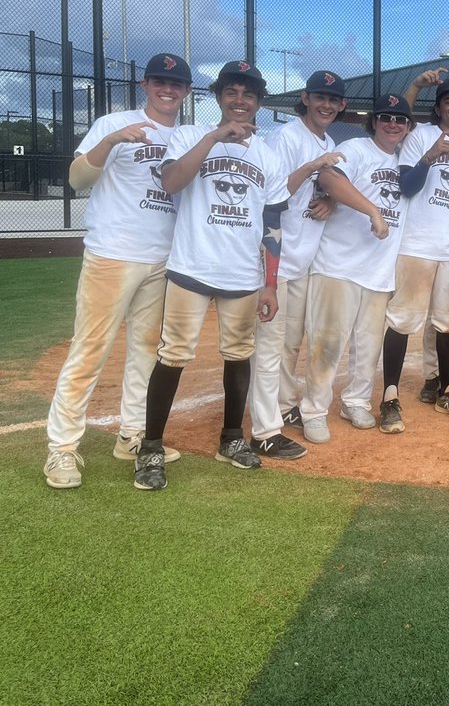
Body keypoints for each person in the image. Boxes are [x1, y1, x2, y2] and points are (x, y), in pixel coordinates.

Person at [133, 60, 289, 491]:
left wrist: (270, 282)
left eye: (249, 94)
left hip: (242, 273)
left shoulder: (268, 155)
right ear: (219, 97)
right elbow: (171, 182)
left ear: (258, 101)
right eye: (232, 93)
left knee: (239, 354)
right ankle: (150, 448)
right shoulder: (187, 136)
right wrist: (214, 137)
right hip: (192, 267)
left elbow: (273, 224)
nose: (241, 101)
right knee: (174, 354)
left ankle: (232, 439)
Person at [43, 53, 191, 489]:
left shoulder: (187, 134)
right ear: (145, 84)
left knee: (148, 352)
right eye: (161, 81)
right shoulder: (113, 122)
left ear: (186, 91)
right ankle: (62, 449)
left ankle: (134, 435)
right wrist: (111, 142)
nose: (169, 89)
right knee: (90, 349)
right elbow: (76, 180)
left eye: (177, 83)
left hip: (164, 256)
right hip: (113, 252)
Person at [246, 70, 348, 461]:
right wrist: (313, 166)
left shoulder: (327, 140)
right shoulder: (286, 137)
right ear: (305, 98)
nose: (325, 104)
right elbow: (273, 196)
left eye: (333, 98)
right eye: (319, 96)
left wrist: (333, 200)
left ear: (341, 105)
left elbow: (325, 189)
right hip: (276, 257)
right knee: (270, 346)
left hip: (305, 258)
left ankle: (283, 404)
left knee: (290, 343)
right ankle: (266, 425)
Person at [380, 78, 449, 423]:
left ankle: (447, 391)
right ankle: (389, 397)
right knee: (403, 319)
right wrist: (429, 158)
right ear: (439, 107)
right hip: (416, 246)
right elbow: (407, 187)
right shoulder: (419, 137)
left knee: (448, 324)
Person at [299, 94, 407, 442]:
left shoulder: (405, 160)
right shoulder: (357, 148)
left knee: (368, 345)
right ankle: (313, 410)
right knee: (328, 343)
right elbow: (329, 179)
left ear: (408, 127)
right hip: (339, 265)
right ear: (374, 121)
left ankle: (356, 401)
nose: (393, 123)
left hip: (378, 270)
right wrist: (373, 211)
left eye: (401, 119)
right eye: (386, 117)